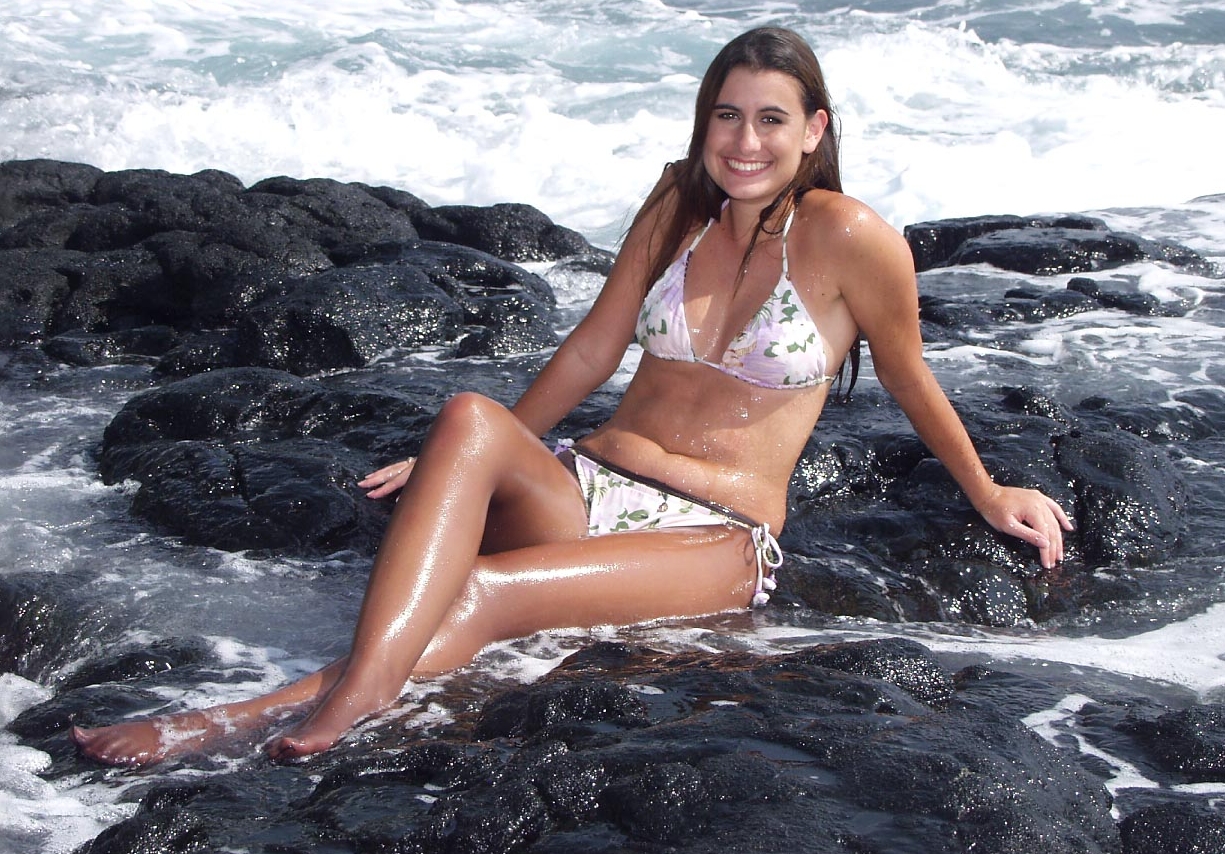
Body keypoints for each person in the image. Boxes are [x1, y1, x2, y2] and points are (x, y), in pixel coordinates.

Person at [71, 26, 1072, 767]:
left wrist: (987, 492)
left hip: (712, 538)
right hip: (586, 483)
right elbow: (594, 349)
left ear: (813, 130)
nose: (744, 139)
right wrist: (461, 467)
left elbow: (907, 374)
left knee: (479, 591)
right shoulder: (677, 205)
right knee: (468, 415)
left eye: (772, 118)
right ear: (704, 122)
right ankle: (344, 688)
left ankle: (258, 714)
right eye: (726, 114)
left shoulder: (851, 238)